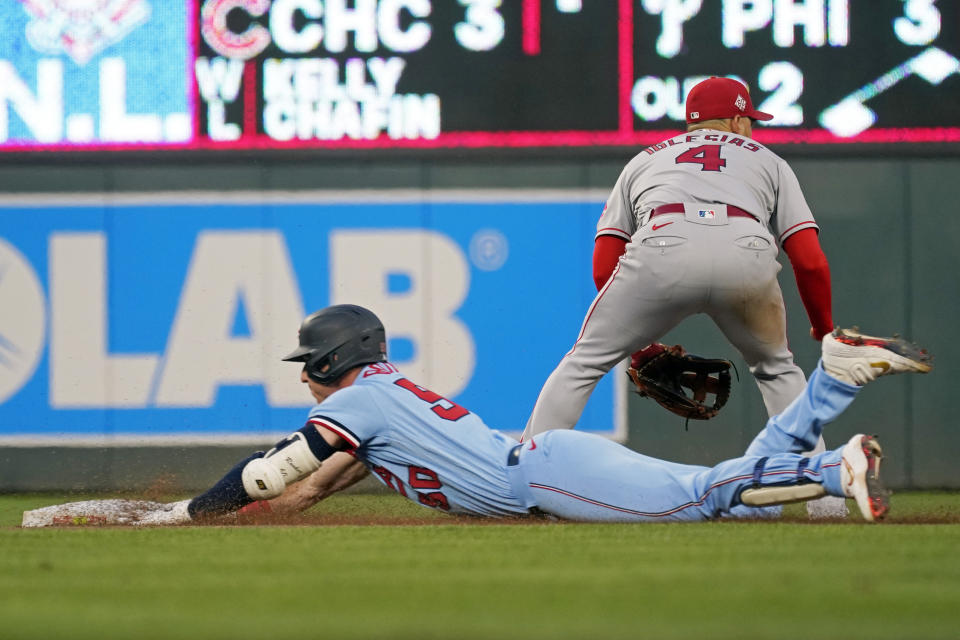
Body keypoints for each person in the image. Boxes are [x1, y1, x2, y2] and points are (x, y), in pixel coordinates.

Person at [23, 304, 932, 528]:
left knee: (704, 499)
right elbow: (297, 499)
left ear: (336, 362)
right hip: (542, 465)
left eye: (312, 365)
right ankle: (835, 382)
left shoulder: (363, 399)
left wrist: (187, 512)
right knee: (712, 491)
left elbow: (273, 474)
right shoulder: (375, 410)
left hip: (539, 472)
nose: (307, 378)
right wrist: (173, 526)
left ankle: (824, 465)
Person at [521, 76, 840, 516]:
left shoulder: (645, 160)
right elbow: (809, 261)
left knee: (584, 361)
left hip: (663, 245)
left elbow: (605, 260)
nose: (752, 127)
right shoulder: (770, 162)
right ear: (734, 118)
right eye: (750, 119)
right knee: (777, 369)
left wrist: (638, 345)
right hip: (745, 249)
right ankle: (824, 505)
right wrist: (823, 326)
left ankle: (520, 482)